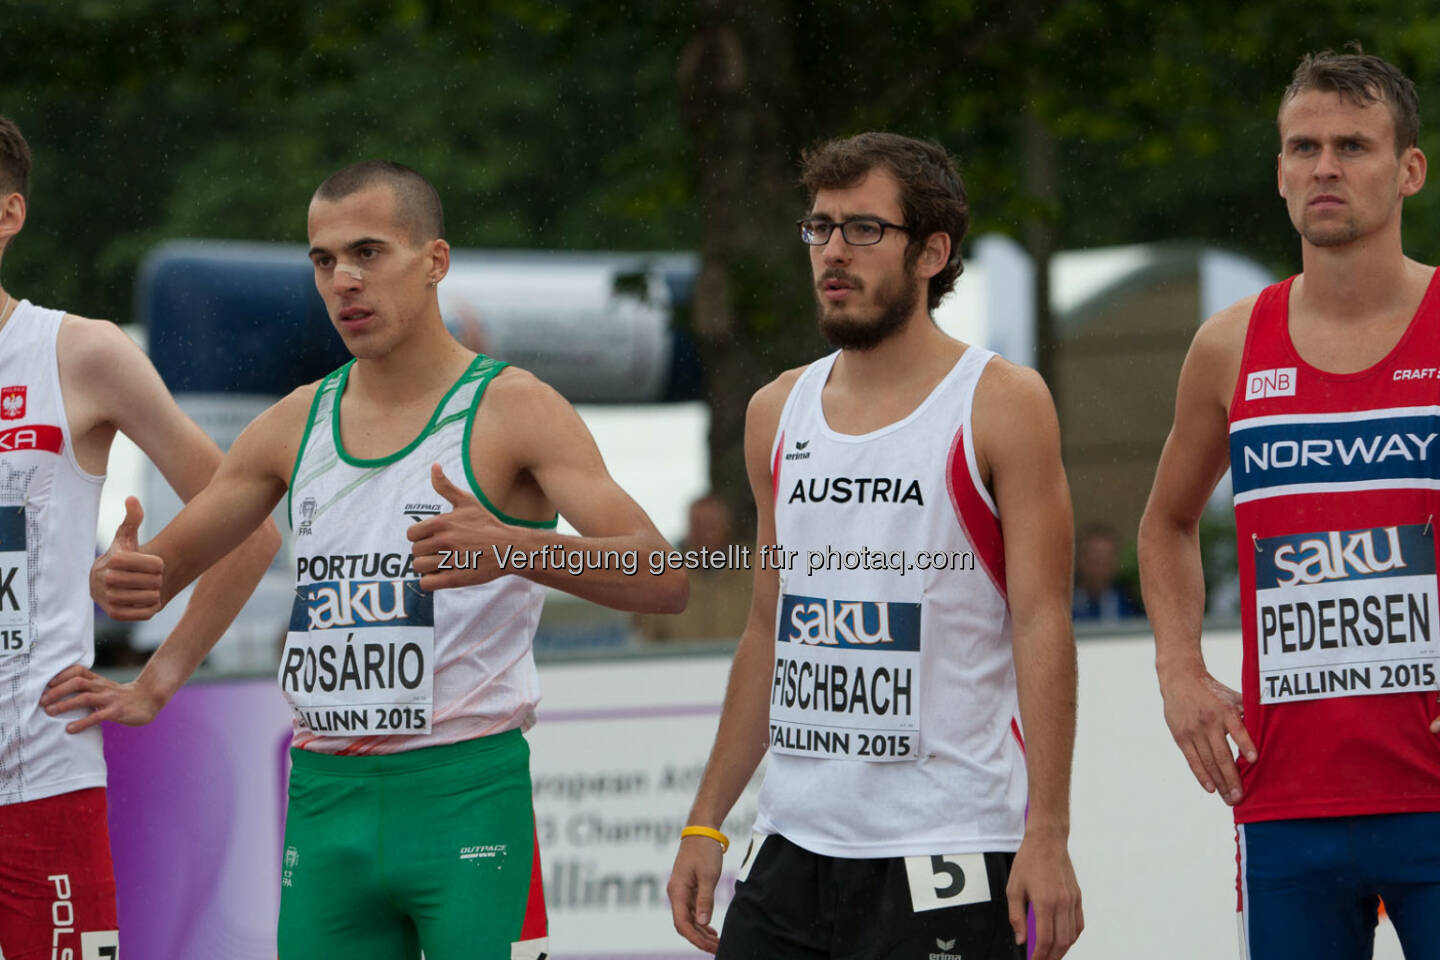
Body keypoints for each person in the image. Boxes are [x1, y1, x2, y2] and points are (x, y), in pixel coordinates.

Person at [88, 160, 687, 960]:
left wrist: (517, 548)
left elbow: (666, 577)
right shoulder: (295, 421)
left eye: (368, 253)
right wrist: (127, 590)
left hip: (463, 796)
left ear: (435, 261)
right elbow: (160, 575)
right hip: (325, 801)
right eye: (324, 260)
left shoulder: (514, 408)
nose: (343, 280)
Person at [666, 133, 1083, 960]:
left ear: (933, 252)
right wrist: (707, 818)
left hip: (946, 843)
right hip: (791, 848)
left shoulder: (1000, 402)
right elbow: (768, 630)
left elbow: (1043, 623)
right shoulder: (776, 410)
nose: (832, 253)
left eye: (863, 230)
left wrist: (1049, 833)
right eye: (819, 228)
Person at [1138, 50, 1440, 959]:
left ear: (1410, 170)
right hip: (1287, 802)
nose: (1325, 167)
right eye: (1303, 146)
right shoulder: (1229, 346)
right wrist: (1179, 671)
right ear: (1277, 171)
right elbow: (1165, 523)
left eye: (1354, 145)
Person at [0, 115, 280, 955]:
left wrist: (158, 682)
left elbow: (251, 530)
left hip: (36, 785)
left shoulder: (76, 352)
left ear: (8, 215)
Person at [635, 493, 751, 642]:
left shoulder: (753, 576)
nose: (703, 533)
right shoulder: (665, 579)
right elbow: (649, 638)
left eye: (711, 525)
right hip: (681, 663)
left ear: (727, 527)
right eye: (697, 525)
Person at [1071, 524, 1139, 621]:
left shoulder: (1131, 604)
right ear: (1078, 559)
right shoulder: (1065, 604)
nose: (1099, 566)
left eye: (1106, 559)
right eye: (1093, 558)